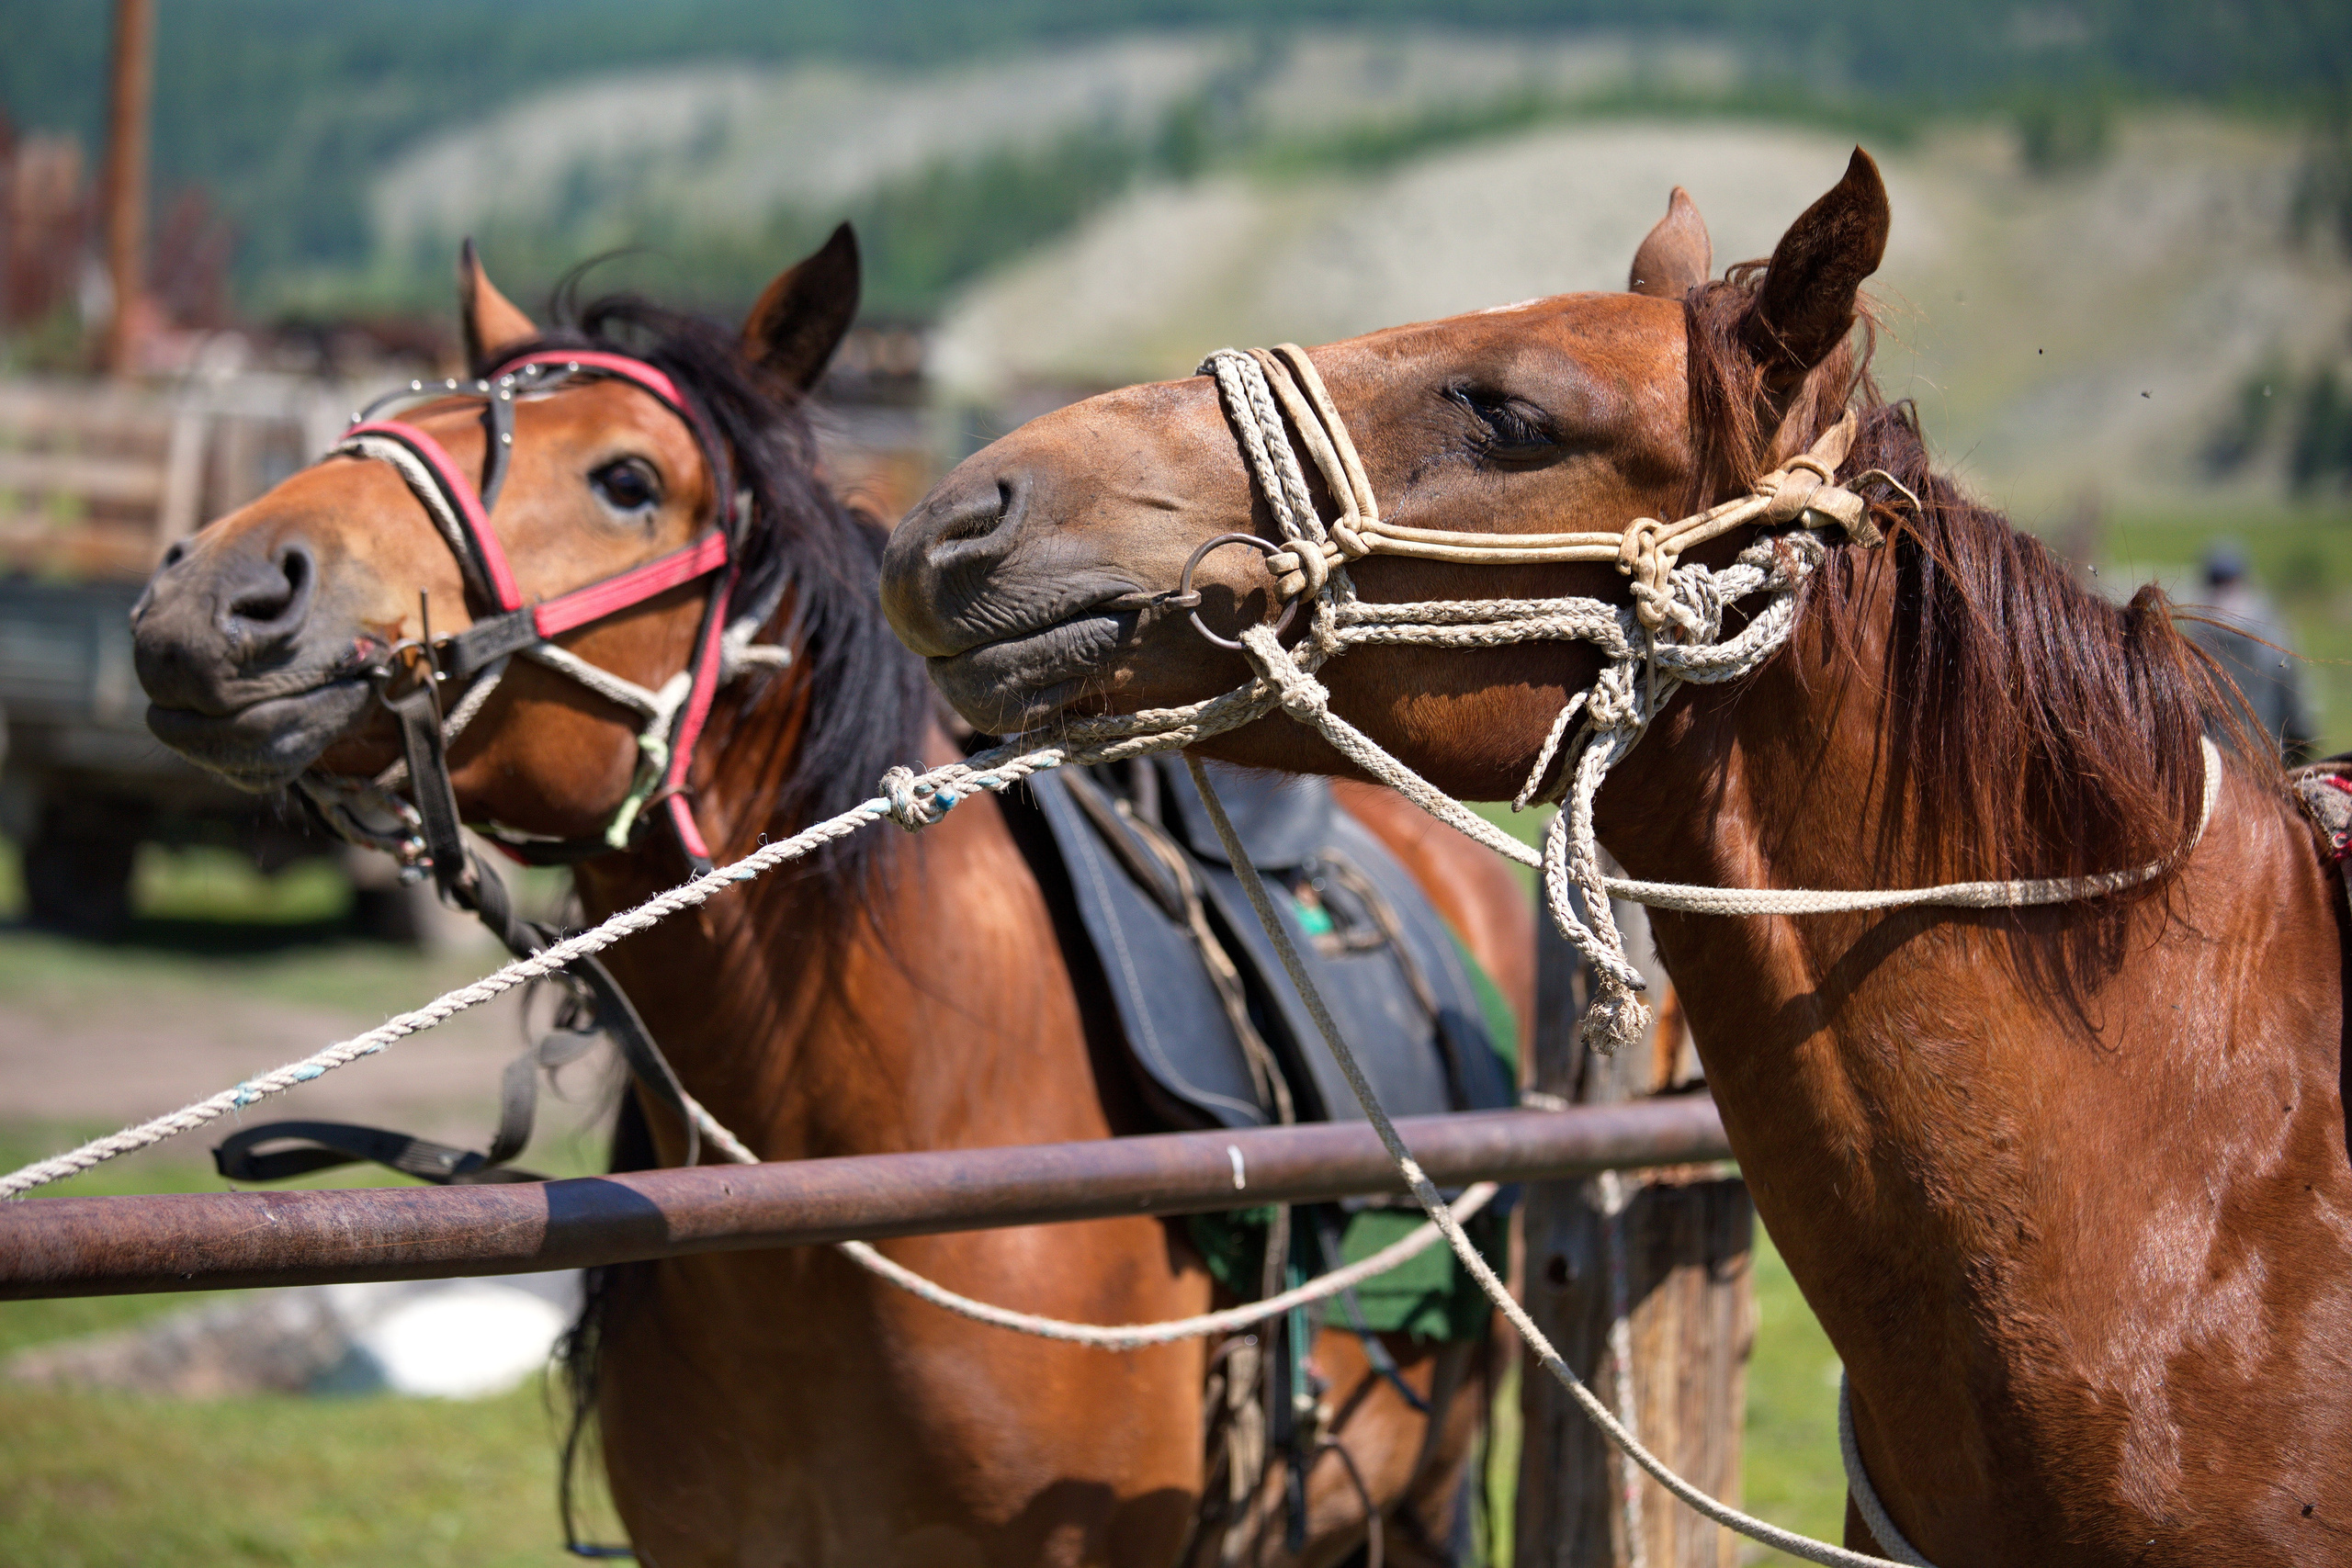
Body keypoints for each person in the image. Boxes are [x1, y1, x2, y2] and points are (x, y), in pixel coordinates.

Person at [2186, 541, 2315, 764]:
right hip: (2266, 759)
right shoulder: (2270, 631)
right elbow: (2295, 701)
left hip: (2212, 766)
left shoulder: (2195, 637)